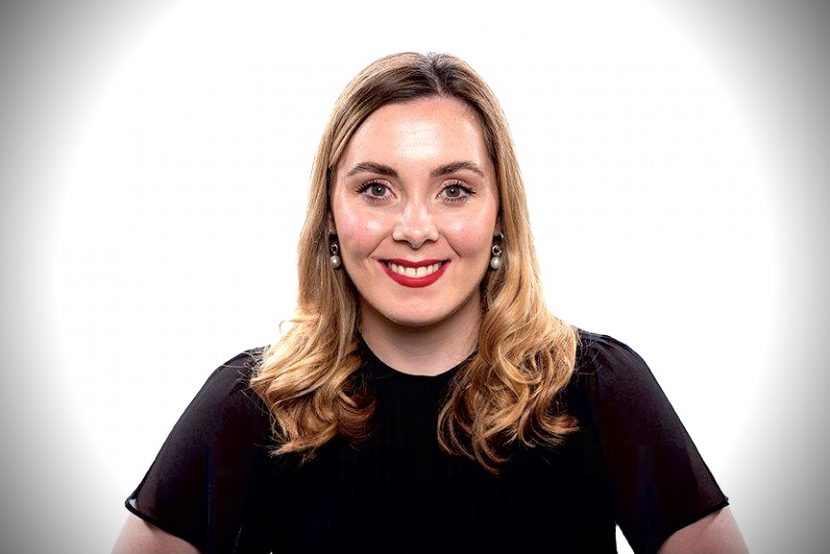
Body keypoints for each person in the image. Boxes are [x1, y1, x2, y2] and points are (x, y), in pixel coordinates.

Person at [112, 52, 747, 554]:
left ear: (500, 214)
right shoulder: (249, 407)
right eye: (377, 189)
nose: (415, 227)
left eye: (453, 189)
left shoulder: (600, 391)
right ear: (331, 216)